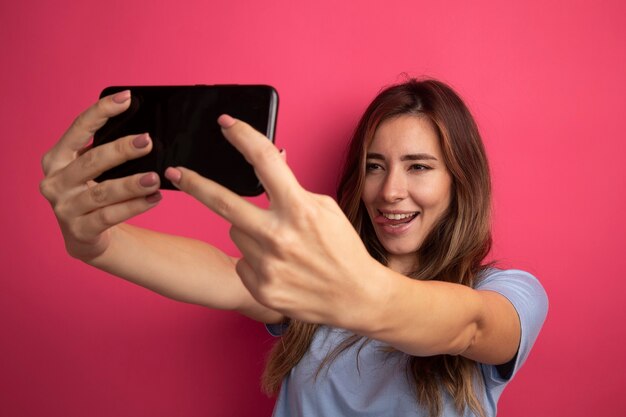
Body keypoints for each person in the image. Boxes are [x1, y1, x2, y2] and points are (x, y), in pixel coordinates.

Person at [40, 78, 548, 417]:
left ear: (461, 180)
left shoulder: (509, 292)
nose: (390, 190)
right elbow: (221, 272)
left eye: (419, 166)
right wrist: (99, 244)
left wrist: (361, 293)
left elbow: (470, 325)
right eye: (375, 166)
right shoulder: (312, 287)